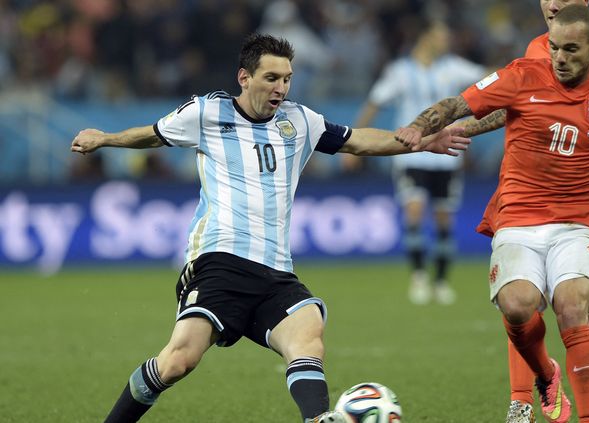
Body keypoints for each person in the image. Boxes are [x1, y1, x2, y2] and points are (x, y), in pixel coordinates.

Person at [70, 33, 469, 423]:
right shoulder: (207, 112)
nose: (281, 87)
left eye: (287, 78)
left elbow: (359, 141)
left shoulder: (300, 120)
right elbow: (153, 136)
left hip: (276, 269)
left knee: (308, 331)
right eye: (272, 78)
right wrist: (105, 139)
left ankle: (318, 420)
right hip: (219, 260)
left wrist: (422, 142)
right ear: (245, 78)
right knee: (178, 362)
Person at [394, 5, 589, 423]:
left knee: (572, 304)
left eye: (570, 49)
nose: (559, 55)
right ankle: (538, 381)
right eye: (555, 47)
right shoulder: (532, 56)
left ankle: (567, 388)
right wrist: (445, 128)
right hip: (523, 206)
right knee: (521, 303)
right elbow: (507, 105)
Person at [455, 1, 589, 421]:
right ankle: (521, 399)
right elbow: (513, 105)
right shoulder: (539, 48)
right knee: (520, 294)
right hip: (531, 193)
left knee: (572, 302)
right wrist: (462, 127)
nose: (552, 2)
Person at [345, 19, 487, 305]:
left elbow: (489, 78)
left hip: (447, 158)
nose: (446, 41)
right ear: (425, 37)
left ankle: (442, 281)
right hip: (411, 154)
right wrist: (352, 147)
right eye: (440, 36)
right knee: (414, 212)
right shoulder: (400, 71)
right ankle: (419, 276)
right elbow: (375, 101)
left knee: (444, 219)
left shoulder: (454, 67)